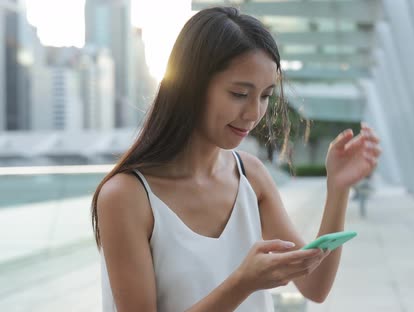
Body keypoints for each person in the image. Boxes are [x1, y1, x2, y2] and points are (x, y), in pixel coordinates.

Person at [92, 6, 381, 312]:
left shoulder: (251, 176)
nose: (254, 113)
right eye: (240, 94)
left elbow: (315, 285)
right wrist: (243, 283)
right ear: (191, 87)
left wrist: (337, 188)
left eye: (266, 96)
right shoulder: (126, 197)